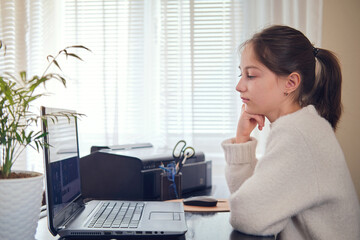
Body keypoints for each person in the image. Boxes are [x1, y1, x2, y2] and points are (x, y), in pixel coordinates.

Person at [221, 25, 360, 239]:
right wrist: (242, 139)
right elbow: (250, 200)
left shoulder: (298, 134)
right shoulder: (300, 126)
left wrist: (247, 206)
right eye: (241, 74)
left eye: (250, 75)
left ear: (291, 82)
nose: (239, 86)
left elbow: (247, 214)